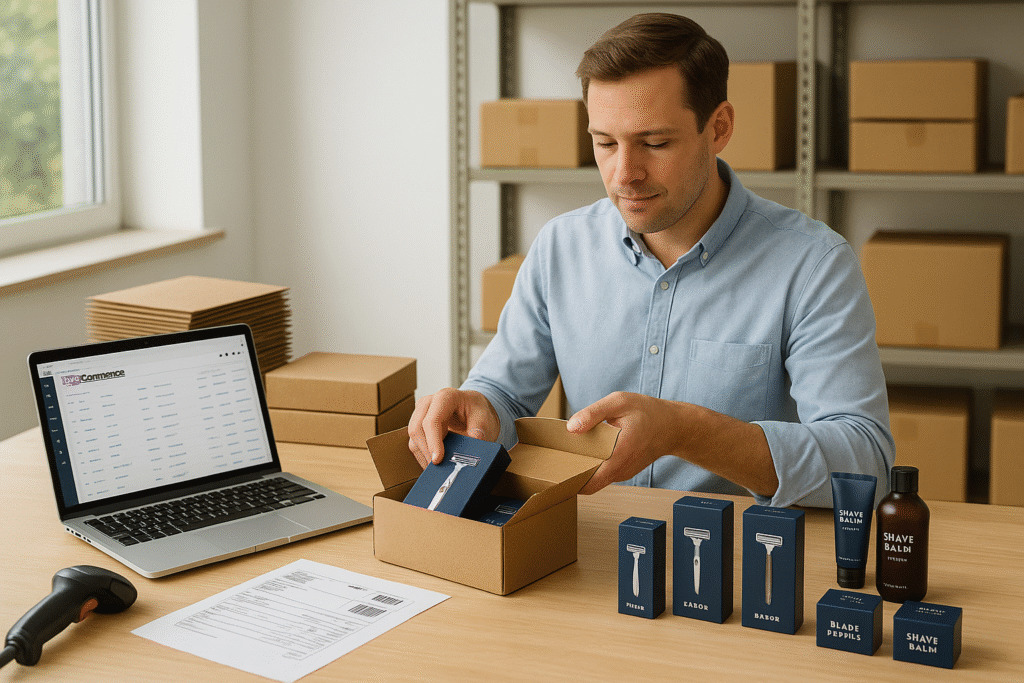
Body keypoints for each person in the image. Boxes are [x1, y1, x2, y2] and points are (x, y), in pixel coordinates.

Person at [408, 12, 893, 508]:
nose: (624, 174)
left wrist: (686, 432)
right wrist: (478, 406)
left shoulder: (813, 265)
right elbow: (504, 396)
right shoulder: (561, 247)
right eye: (604, 143)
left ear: (719, 127)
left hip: (737, 558)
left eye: (655, 143)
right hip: (587, 548)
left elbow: (865, 462)